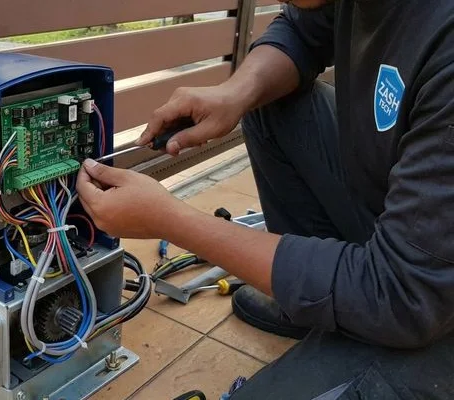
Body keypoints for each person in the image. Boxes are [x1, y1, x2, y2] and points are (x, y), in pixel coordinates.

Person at [76, 0, 454, 398]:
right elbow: (301, 29)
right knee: (268, 97)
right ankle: (325, 308)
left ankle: (348, 304)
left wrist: (174, 222)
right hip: (411, 238)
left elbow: (404, 294)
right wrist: (234, 94)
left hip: (427, 301)